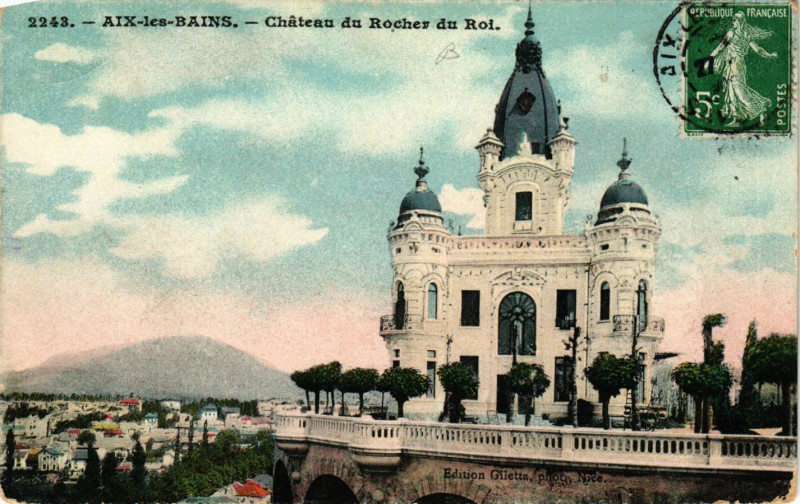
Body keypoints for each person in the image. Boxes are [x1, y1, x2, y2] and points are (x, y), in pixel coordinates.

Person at [706, 12, 777, 126]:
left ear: (740, 21)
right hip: (734, 64)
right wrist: (769, 55)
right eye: (733, 20)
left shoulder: (732, 33)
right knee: (732, 89)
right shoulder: (746, 34)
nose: (732, 22)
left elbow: (720, 47)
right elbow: (758, 49)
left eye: (734, 20)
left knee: (739, 91)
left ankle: (760, 108)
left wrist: (709, 58)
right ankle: (736, 119)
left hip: (735, 64)